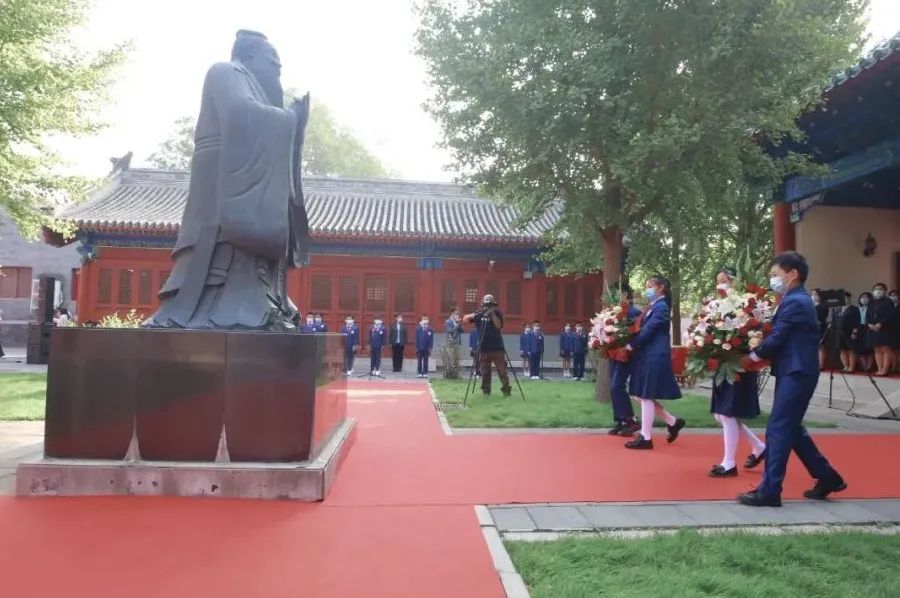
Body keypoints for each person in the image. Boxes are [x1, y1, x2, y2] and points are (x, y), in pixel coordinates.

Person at [145, 30, 311, 331]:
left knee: (250, 252)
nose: (278, 67)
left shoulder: (255, 87)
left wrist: (291, 120)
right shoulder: (225, 71)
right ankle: (208, 308)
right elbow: (238, 112)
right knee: (219, 242)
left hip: (241, 173)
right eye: (272, 60)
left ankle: (259, 302)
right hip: (222, 175)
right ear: (249, 55)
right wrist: (290, 118)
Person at [738, 251, 846, 507]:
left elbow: (778, 337)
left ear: (793, 274)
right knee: (792, 429)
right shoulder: (793, 299)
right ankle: (828, 478)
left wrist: (751, 357)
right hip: (794, 370)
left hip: (797, 372)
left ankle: (770, 491)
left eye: (775, 274)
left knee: (778, 428)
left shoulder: (796, 301)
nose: (772, 279)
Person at [708, 267, 766, 477]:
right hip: (724, 361)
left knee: (727, 413)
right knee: (721, 414)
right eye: (718, 280)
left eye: (724, 280)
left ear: (734, 281)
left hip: (740, 363)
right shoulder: (716, 305)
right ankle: (759, 447)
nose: (720, 284)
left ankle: (729, 463)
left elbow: (757, 330)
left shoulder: (747, 303)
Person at [623, 275, 685, 450]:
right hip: (646, 355)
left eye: (650, 286)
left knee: (645, 395)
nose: (647, 290)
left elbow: (649, 330)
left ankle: (646, 437)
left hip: (654, 355)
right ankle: (672, 422)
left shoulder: (662, 307)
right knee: (639, 394)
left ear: (661, 287)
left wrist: (631, 344)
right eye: (646, 286)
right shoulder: (653, 306)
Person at [607, 287, 641, 436]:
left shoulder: (635, 313)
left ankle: (631, 421)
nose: (616, 297)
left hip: (626, 355)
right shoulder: (610, 312)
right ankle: (620, 421)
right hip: (613, 354)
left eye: (619, 294)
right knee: (613, 388)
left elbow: (638, 334)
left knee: (617, 386)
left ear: (626, 295)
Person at [463, 295, 511, 396]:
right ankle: (486, 392)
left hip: (497, 348)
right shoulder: (479, 314)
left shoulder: (497, 313)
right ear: (483, 305)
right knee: (485, 372)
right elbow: (465, 319)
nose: (488, 307)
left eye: (490, 305)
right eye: (486, 305)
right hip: (484, 349)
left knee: (502, 371)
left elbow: (499, 326)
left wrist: (492, 314)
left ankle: (506, 390)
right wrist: (476, 314)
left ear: (493, 305)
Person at [869, 282, 894, 376]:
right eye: (876, 289)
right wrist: (870, 324)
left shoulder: (888, 302)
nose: (878, 291)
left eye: (880, 289)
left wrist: (880, 324)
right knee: (877, 349)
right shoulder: (871, 302)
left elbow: (889, 315)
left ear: (885, 291)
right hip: (873, 329)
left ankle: (885, 369)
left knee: (885, 348)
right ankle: (879, 368)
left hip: (885, 328)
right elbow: (868, 315)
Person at [838, 292, 861, 373]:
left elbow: (857, 321)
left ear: (849, 298)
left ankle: (851, 367)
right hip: (839, 333)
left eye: (847, 298)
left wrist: (855, 332)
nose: (845, 300)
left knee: (851, 350)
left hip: (850, 332)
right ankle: (846, 366)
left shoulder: (854, 309)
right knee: (842, 350)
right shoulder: (837, 309)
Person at [443, 307, 464, 378]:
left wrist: (459, 324)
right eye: (456, 314)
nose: (457, 315)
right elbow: (450, 331)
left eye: (458, 314)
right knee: (451, 360)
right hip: (451, 343)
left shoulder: (457, 322)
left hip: (457, 343)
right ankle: (449, 375)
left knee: (456, 359)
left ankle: (455, 375)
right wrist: (457, 325)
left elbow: (462, 331)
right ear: (452, 314)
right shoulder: (448, 321)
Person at [856, 292, 875, 372]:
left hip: (869, 328)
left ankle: (869, 366)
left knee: (870, 349)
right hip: (859, 329)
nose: (864, 299)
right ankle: (864, 366)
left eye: (866, 297)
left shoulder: (872, 308)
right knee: (860, 349)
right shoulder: (857, 309)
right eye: (862, 297)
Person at [811, 289, 829, 370]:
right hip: (810, 329)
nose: (813, 296)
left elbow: (821, 319)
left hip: (819, 328)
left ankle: (821, 365)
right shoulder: (811, 306)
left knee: (820, 347)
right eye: (812, 294)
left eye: (815, 294)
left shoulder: (823, 306)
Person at [889, 290, 900, 375]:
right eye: (891, 295)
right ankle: (894, 366)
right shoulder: (888, 306)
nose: (893, 297)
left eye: (895, 295)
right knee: (892, 349)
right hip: (891, 330)